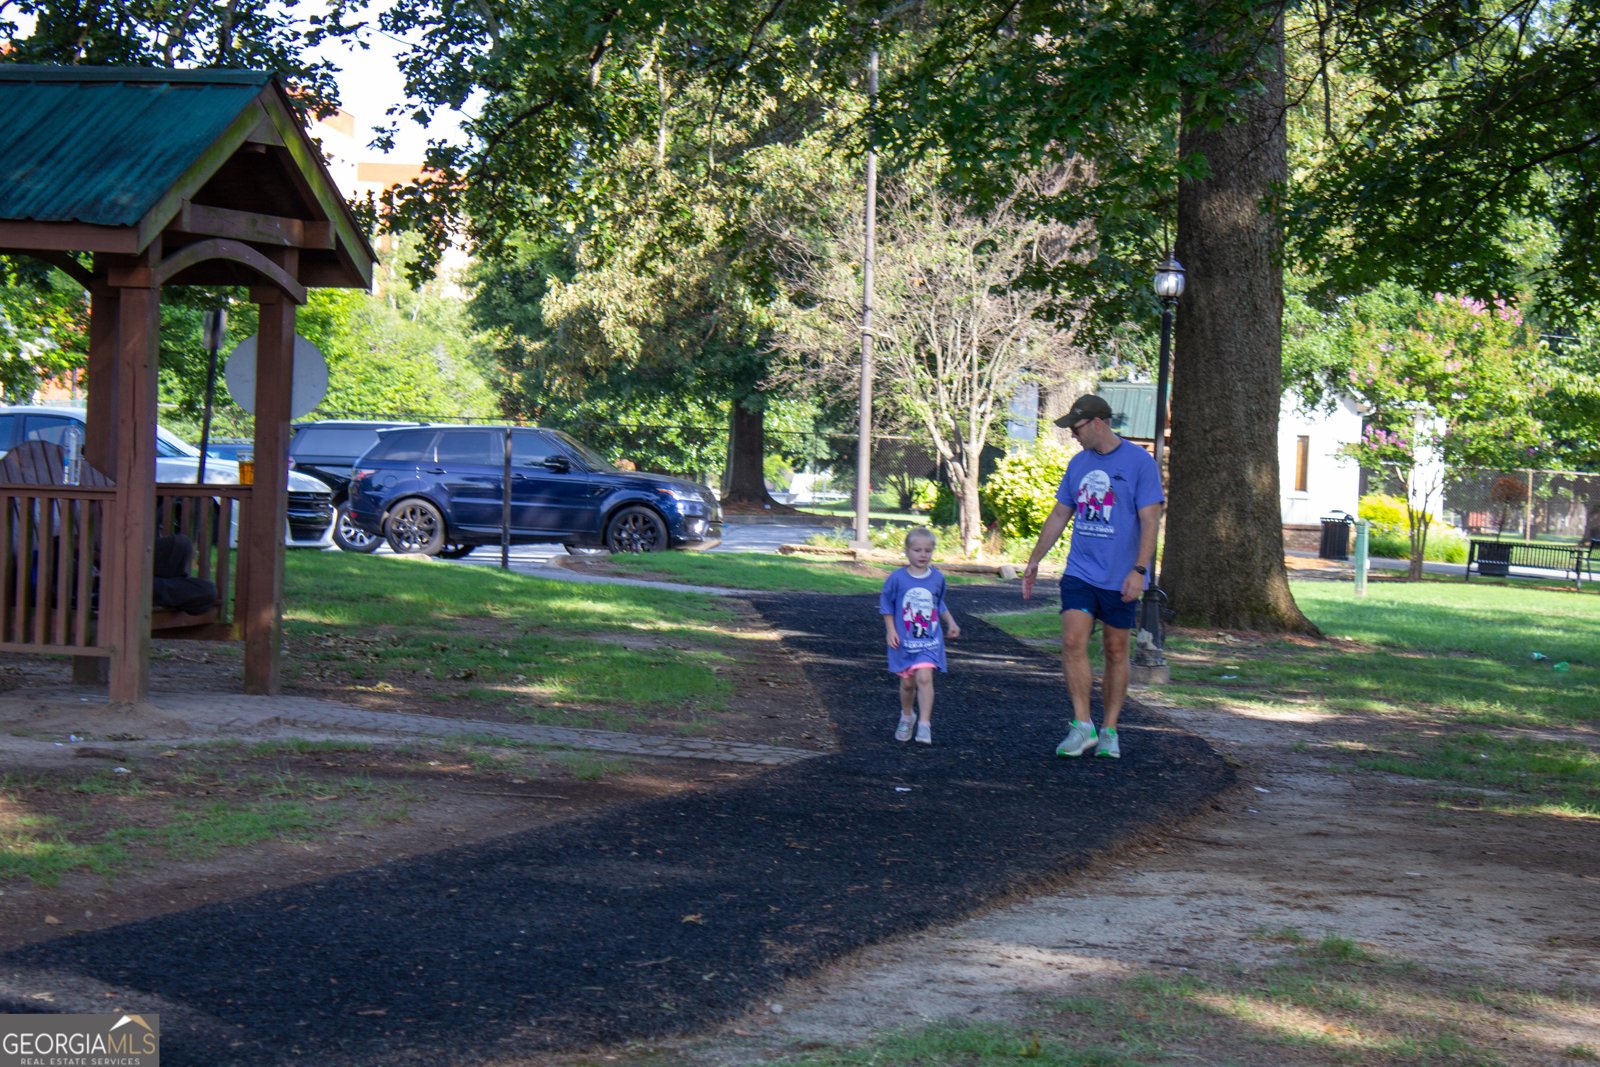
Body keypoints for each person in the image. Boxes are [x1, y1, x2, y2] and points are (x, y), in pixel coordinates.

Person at [1022, 394, 1164, 759]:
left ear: (1098, 423)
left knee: (1116, 651)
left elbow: (1150, 520)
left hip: (1121, 576)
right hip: (1081, 571)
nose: (1073, 434)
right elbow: (1060, 513)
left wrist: (1139, 571)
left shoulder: (1139, 463)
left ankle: (1110, 730)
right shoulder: (1078, 464)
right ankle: (1082, 724)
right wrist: (1035, 559)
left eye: (1077, 427)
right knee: (1072, 641)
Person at [879, 527, 961, 745]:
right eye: (917, 550)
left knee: (925, 678)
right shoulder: (897, 579)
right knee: (907, 684)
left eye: (927, 550)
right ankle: (907, 716)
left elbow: (938, 603)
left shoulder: (937, 578)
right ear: (907, 551)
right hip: (904, 641)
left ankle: (925, 724)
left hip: (929, 640)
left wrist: (951, 622)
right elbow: (886, 605)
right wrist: (890, 630)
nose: (923, 555)